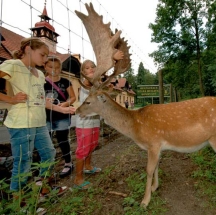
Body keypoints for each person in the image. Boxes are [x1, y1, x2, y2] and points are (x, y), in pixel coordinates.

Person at [0, 38, 75, 207]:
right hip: (20, 123)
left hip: (40, 122)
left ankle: (44, 190)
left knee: (49, 154)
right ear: (28, 49)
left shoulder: (40, 74)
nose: (45, 59)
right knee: (23, 162)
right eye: (42, 55)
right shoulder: (14, 65)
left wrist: (63, 110)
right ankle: (19, 205)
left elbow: (41, 101)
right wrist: (11, 99)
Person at [74, 51, 124, 189]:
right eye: (87, 68)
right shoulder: (86, 85)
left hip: (95, 121)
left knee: (92, 145)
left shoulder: (97, 86)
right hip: (84, 122)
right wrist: (111, 60)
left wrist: (109, 92)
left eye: (93, 67)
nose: (90, 70)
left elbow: (103, 100)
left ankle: (88, 166)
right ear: (83, 72)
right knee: (83, 149)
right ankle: (78, 179)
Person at [44, 56, 76, 178]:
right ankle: (45, 166)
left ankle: (68, 162)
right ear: (45, 67)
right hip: (46, 116)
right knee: (46, 142)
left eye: (57, 67)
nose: (54, 70)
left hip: (62, 115)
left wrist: (66, 104)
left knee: (62, 139)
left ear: (60, 68)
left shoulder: (65, 81)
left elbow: (73, 97)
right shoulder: (41, 81)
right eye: (51, 67)